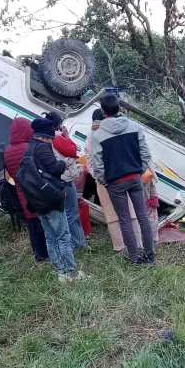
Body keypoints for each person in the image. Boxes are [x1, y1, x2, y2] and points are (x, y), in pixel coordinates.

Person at [91, 94, 156, 265]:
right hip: (135, 178)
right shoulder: (134, 127)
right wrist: (139, 170)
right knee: (142, 216)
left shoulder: (98, 135)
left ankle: (135, 258)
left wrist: (104, 180)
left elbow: (97, 164)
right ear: (119, 108)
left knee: (125, 220)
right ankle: (149, 255)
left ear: (103, 112)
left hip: (115, 183)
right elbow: (145, 153)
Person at [25, 118, 86, 282]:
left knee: (50, 237)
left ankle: (60, 273)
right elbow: (54, 168)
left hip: (37, 200)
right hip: (50, 198)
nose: (51, 141)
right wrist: (63, 163)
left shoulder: (28, 148)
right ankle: (71, 273)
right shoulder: (42, 148)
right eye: (50, 138)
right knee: (63, 237)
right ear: (45, 136)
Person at [85, 108, 141, 252]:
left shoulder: (92, 136)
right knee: (131, 212)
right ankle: (138, 245)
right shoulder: (117, 131)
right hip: (122, 176)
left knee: (112, 215)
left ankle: (120, 247)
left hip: (105, 181)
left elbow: (90, 161)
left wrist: (100, 178)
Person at [3, 117, 48, 262]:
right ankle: (48, 254)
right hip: (37, 191)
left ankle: (39, 257)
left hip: (21, 192)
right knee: (44, 224)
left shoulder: (7, 151)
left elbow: (9, 173)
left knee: (33, 226)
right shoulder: (30, 148)